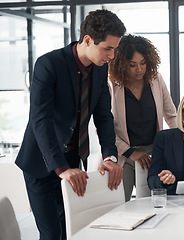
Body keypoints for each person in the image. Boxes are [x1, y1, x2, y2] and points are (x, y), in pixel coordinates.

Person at [15, 9, 126, 240]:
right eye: (108, 48)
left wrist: (110, 157)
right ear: (87, 40)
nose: (112, 56)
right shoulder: (49, 64)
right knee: (52, 234)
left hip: (74, 160)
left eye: (115, 49)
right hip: (41, 163)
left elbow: (104, 116)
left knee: (72, 229)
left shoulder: (100, 67)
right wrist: (61, 168)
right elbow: (40, 119)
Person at [108, 34, 177, 201]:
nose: (139, 69)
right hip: (123, 154)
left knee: (151, 204)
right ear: (121, 64)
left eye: (143, 63)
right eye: (132, 65)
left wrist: (181, 143)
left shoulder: (156, 79)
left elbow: (171, 115)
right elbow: (104, 128)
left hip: (152, 155)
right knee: (120, 206)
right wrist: (131, 152)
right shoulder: (111, 85)